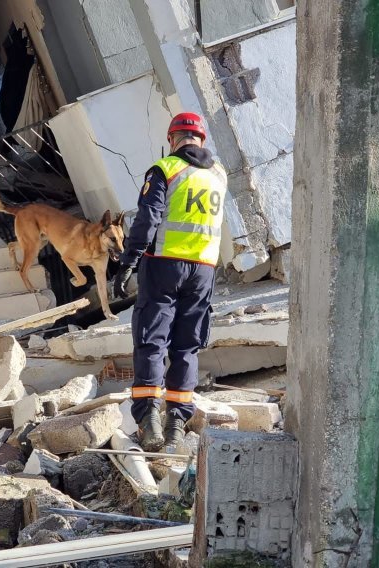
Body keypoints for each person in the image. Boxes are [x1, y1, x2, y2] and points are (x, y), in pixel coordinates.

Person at [113, 112, 227, 451]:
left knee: (151, 340)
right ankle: (176, 423)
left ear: (172, 139)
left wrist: (129, 260)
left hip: (164, 265)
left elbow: (149, 218)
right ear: (201, 140)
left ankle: (150, 422)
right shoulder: (219, 175)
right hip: (204, 269)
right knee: (186, 346)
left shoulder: (165, 169)